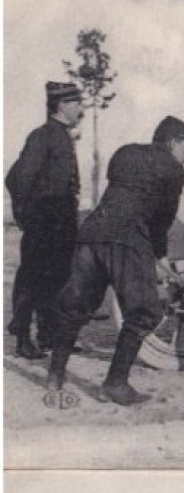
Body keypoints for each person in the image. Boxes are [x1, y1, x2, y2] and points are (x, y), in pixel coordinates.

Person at [44, 115, 184, 405]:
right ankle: (115, 383)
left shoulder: (124, 152)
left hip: (92, 232)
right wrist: (159, 253)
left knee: (74, 306)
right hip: (126, 239)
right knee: (146, 312)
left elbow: (119, 195)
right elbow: (162, 218)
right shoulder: (174, 169)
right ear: (174, 142)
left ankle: (55, 376)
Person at [6, 81, 84, 359]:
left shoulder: (62, 135)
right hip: (45, 220)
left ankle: (49, 337)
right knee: (32, 279)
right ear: (61, 105)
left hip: (62, 221)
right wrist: (27, 216)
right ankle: (23, 338)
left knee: (58, 279)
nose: (81, 108)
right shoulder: (42, 136)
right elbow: (17, 178)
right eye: (76, 103)